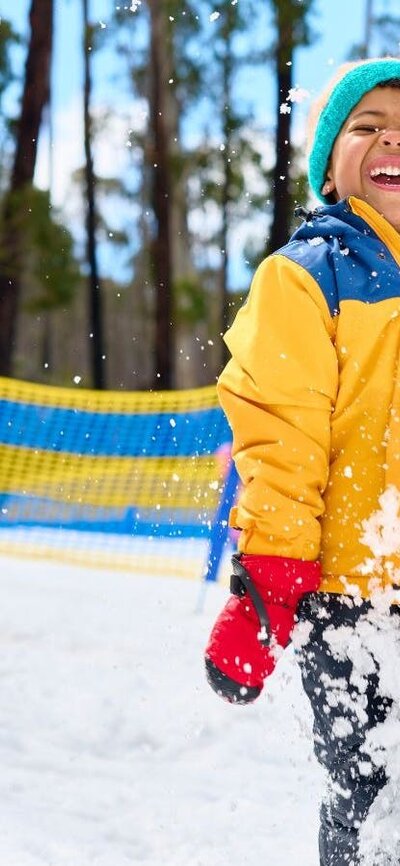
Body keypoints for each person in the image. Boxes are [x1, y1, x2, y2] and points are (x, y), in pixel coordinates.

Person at [204, 57, 400, 866]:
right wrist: (269, 585)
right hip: (352, 597)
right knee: (378, 801)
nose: (391, 139)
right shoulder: (307, 276)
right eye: (367, 126)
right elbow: (282, 443)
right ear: (330, 163)